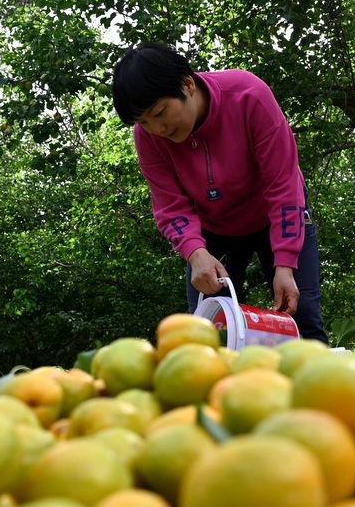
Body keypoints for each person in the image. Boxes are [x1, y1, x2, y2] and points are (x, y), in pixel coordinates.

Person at [111, 42, 328, 344]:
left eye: (160, 113)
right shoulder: (148, 137)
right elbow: (169, 205)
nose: (157, 129)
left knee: (301, 314)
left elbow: (284, 183)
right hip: (215, 230)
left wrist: (285, 263)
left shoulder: (248, 95)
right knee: (205, 331)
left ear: (187, 84)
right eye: (144, 122)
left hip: (275, 215)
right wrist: (195, 252)